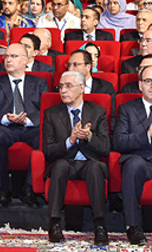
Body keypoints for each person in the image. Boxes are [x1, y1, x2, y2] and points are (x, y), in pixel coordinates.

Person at [43, 70, 110, 246]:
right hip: (65, 162)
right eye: (61, 86)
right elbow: (48, 151)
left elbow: (105, 148)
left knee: (95, 167)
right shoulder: (51, 113)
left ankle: (100, 226)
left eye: (68, 86)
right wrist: (70, 140)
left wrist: (89, 137)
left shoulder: (98, 112)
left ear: (82, 88)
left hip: (90, 162)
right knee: (59, 166)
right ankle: (54, 224)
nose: (63, 90)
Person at [113, 64, 152, 245]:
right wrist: (148, 134)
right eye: (148, 81)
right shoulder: (126, 109)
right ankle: (133, 227)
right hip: (141, 161)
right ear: (140, 85)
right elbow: (119, 142)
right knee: (132, 165)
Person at [0, 43, 48, 207]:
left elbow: (46, 112)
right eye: (6, 56)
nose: (8, 60)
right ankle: (4, 189)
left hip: (31, 127)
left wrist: (27, 120)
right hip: (6, 128)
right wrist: (7, 118)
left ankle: (29, 189)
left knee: (46, 136)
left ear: (25, 60)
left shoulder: (39, 82)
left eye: (14, 56)